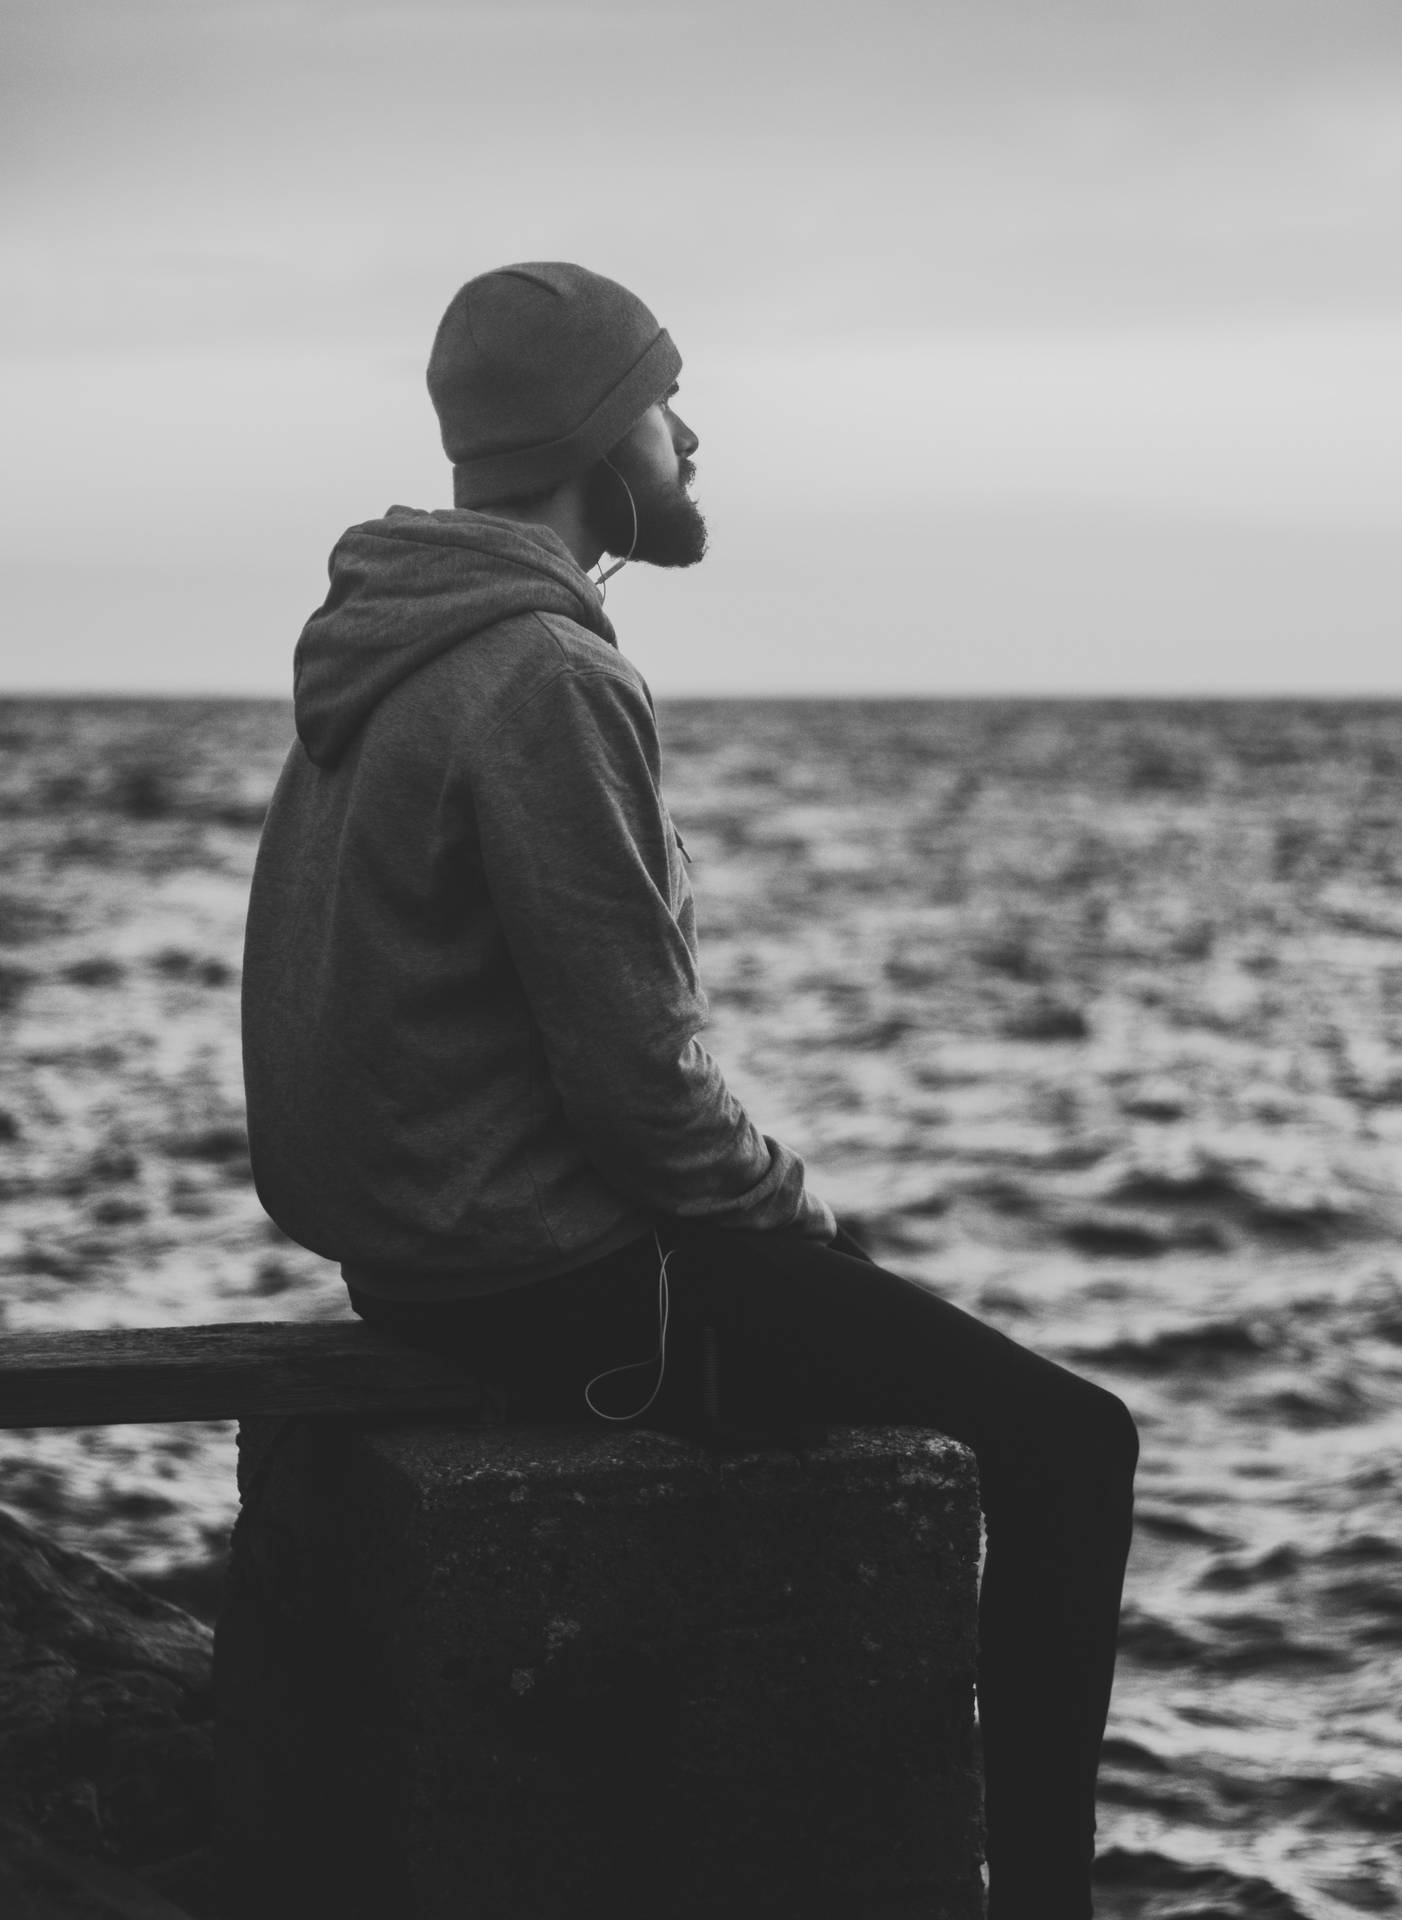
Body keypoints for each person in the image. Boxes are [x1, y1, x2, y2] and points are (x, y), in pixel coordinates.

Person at [240, 261, 1138, 1920]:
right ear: (597, 430)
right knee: (1072, 1442)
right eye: (667, 401)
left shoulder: (384, 643)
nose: (691, 434)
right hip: (556, 1286)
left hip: (420, 1257)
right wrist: (811, 1240)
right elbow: (640, 1082)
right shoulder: (544, 676)